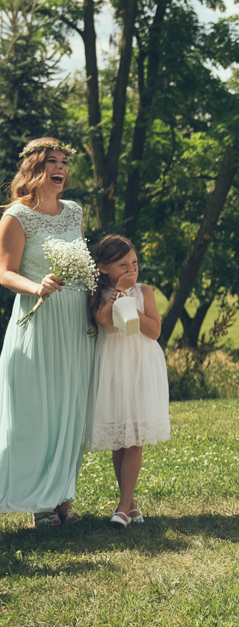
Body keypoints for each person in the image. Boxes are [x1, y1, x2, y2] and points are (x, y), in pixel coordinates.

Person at [0, 137, 95, 528]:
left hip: (74, 320)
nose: (61, 168)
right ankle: (38, 502)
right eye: (52, 162)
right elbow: (4, 272)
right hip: (39, 318)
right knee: (37, 411)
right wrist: (37, 286)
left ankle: (64, 498)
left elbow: (84, 261)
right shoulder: (15, 216)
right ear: (34, 169)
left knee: (69, 408)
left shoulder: (74, 212)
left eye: (64, 162)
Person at [88, 234, 170, 529]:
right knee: (120, 438)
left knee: (135, 436)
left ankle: (122, 508)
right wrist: (116, 295)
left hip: (140, 365)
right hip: (114, 366)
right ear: (103, 267)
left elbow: (154, 331)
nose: (131, 270)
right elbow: (105, 321)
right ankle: (131, 503)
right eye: (123, 265)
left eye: (134, 263)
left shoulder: (144, 291)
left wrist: (131, 303)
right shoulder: (99, 294)